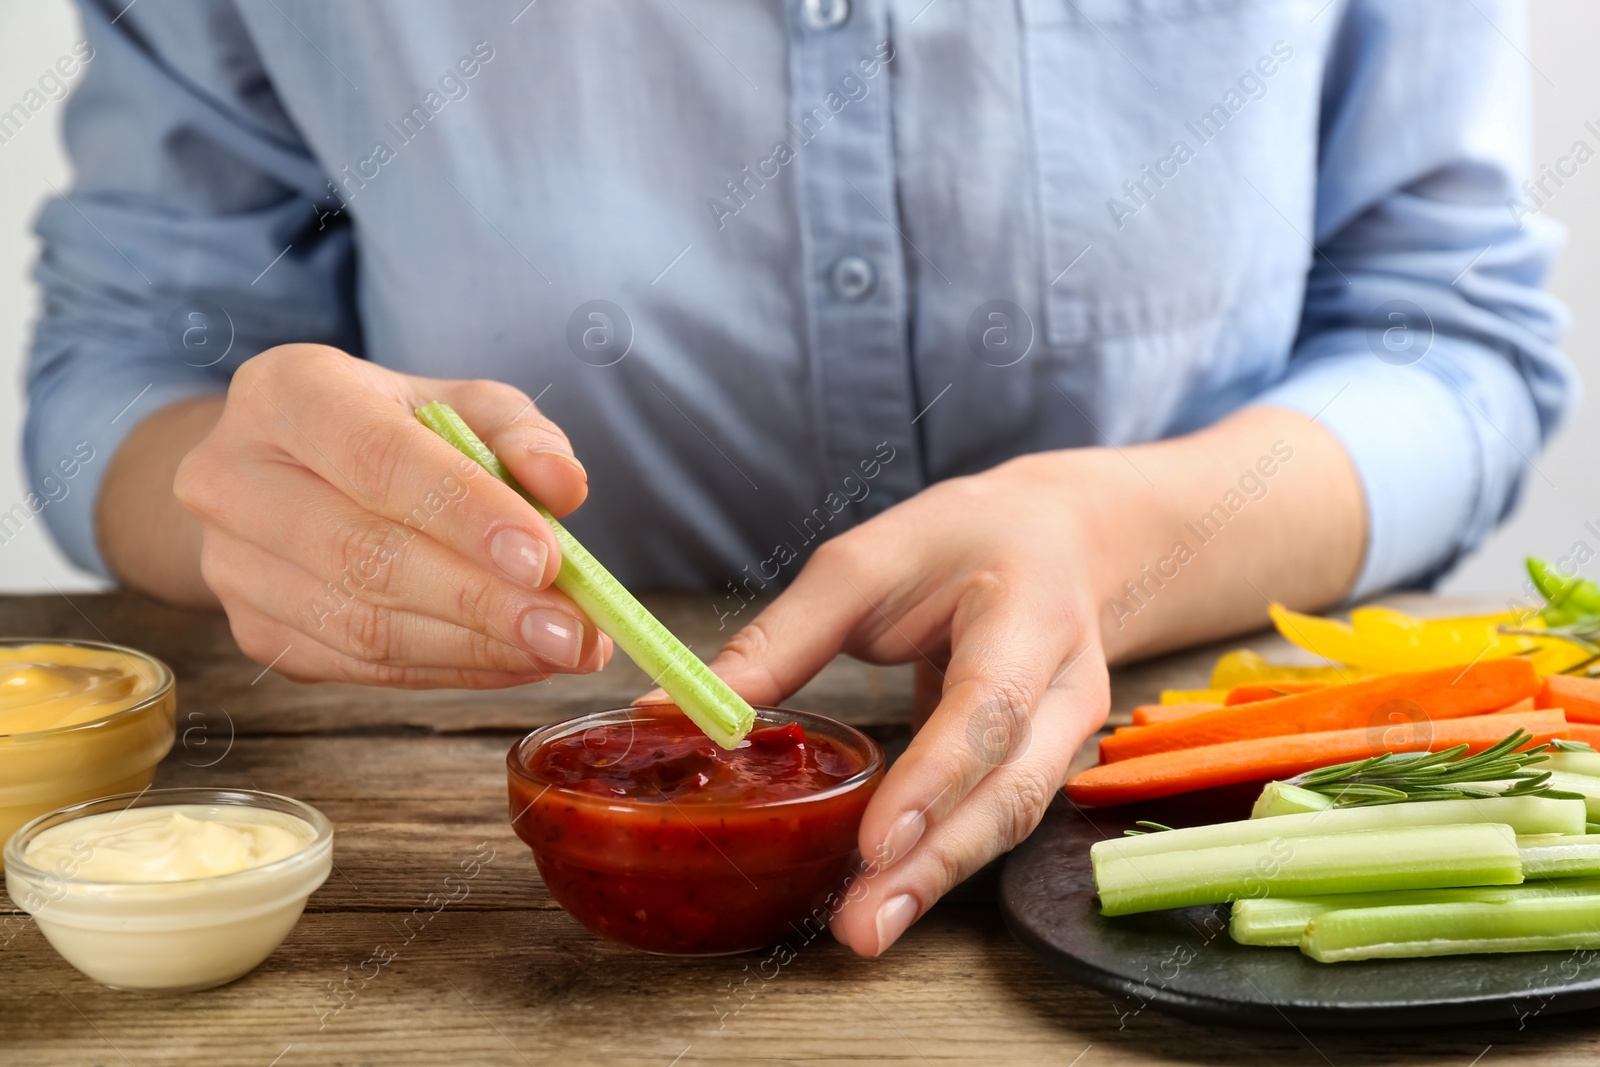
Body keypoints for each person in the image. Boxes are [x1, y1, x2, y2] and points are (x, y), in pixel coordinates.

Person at [25, 0, 1573, 957]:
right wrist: (241, 492)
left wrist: (1113, 534)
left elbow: (1454, 336)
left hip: (1166, 773)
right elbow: (122, 366)